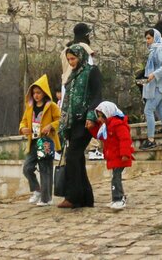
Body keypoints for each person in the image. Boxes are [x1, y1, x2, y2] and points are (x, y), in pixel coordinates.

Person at [57, 44, 102, 208]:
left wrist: (91, 116)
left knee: (72, 156)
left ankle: (73, 196)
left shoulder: (92, 71)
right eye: (68, 59)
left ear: (81, 56)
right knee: (77, 157)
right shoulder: (73, 75)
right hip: (73, 122)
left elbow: (97, 95)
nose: (71, 62)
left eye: (73, 58)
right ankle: (85, 198)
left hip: (85, 121)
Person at [60, 22, 102, 161]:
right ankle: (93, 148)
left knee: (69, 122)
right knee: (85, 119)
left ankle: (65, 148)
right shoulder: (83, 48)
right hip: (81, 88)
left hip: (66, 85)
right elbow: (88, 66)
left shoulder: (65, 49)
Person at [19, 74, 60, 206]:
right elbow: (23, 121)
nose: (36, 95)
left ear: (44, 92)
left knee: (45, 169)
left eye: (38, 92)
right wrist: (23, 128)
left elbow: (61, 120)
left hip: (46, 141)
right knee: (27, 168)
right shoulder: (29, 106)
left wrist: (51, 126)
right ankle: (37, 189)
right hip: (33, 142)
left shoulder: (52, 106)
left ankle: (46, 198)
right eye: (34, 93)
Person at [88, 101, 134, 210]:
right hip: (113, 156)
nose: (99, 119)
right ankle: (117, 197)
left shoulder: (118, 125)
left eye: (101, 116)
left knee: (115, 178)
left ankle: (118, 198)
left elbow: (125, 139)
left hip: (119, 156)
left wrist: (125, 153)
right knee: (115, 177)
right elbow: (99, 135)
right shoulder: (106, 126)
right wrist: (92, 128)